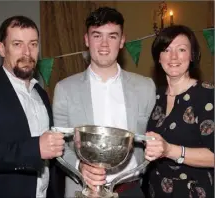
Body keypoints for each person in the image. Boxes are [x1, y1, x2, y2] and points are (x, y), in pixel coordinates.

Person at [52, 7, 156, 198]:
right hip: (82, 191)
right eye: (97, 36)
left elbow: (153, 138)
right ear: (86, 39)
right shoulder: (64, 89)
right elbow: (59, 146)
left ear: (122, 40)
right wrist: (79, 166)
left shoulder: (146, 87)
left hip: (130, 191)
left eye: (112, 36)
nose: (104, 45)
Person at [0, 15, 65, 198]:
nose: (27, 52)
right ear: (2, 49)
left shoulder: (40, 94)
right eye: (17, 44)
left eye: (33, 44)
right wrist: (34, 149)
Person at [144, 25, 214, 198]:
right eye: (166, 50)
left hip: (196, 191)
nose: (173, 56)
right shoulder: (155, 95)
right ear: (158, 58)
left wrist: (170, 151)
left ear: (192, 56)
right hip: (156, 190)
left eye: (181, 49)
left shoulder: (208, 95)